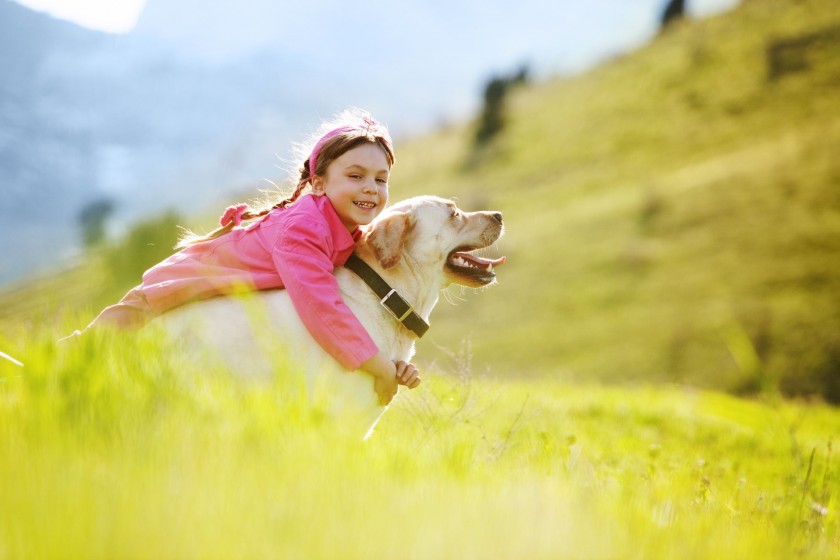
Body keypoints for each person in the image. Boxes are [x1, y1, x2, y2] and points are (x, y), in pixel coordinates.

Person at [70, 108, 419, 404]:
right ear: (319, 183)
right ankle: (50, 358)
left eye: (381, 179)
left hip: (219, 296)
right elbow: (321, 305)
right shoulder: (304, 228)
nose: (371, 188)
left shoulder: (349, 232)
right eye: (356, 176)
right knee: (97, 346)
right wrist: (377, 365)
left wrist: (394, 360)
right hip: (185, 283)